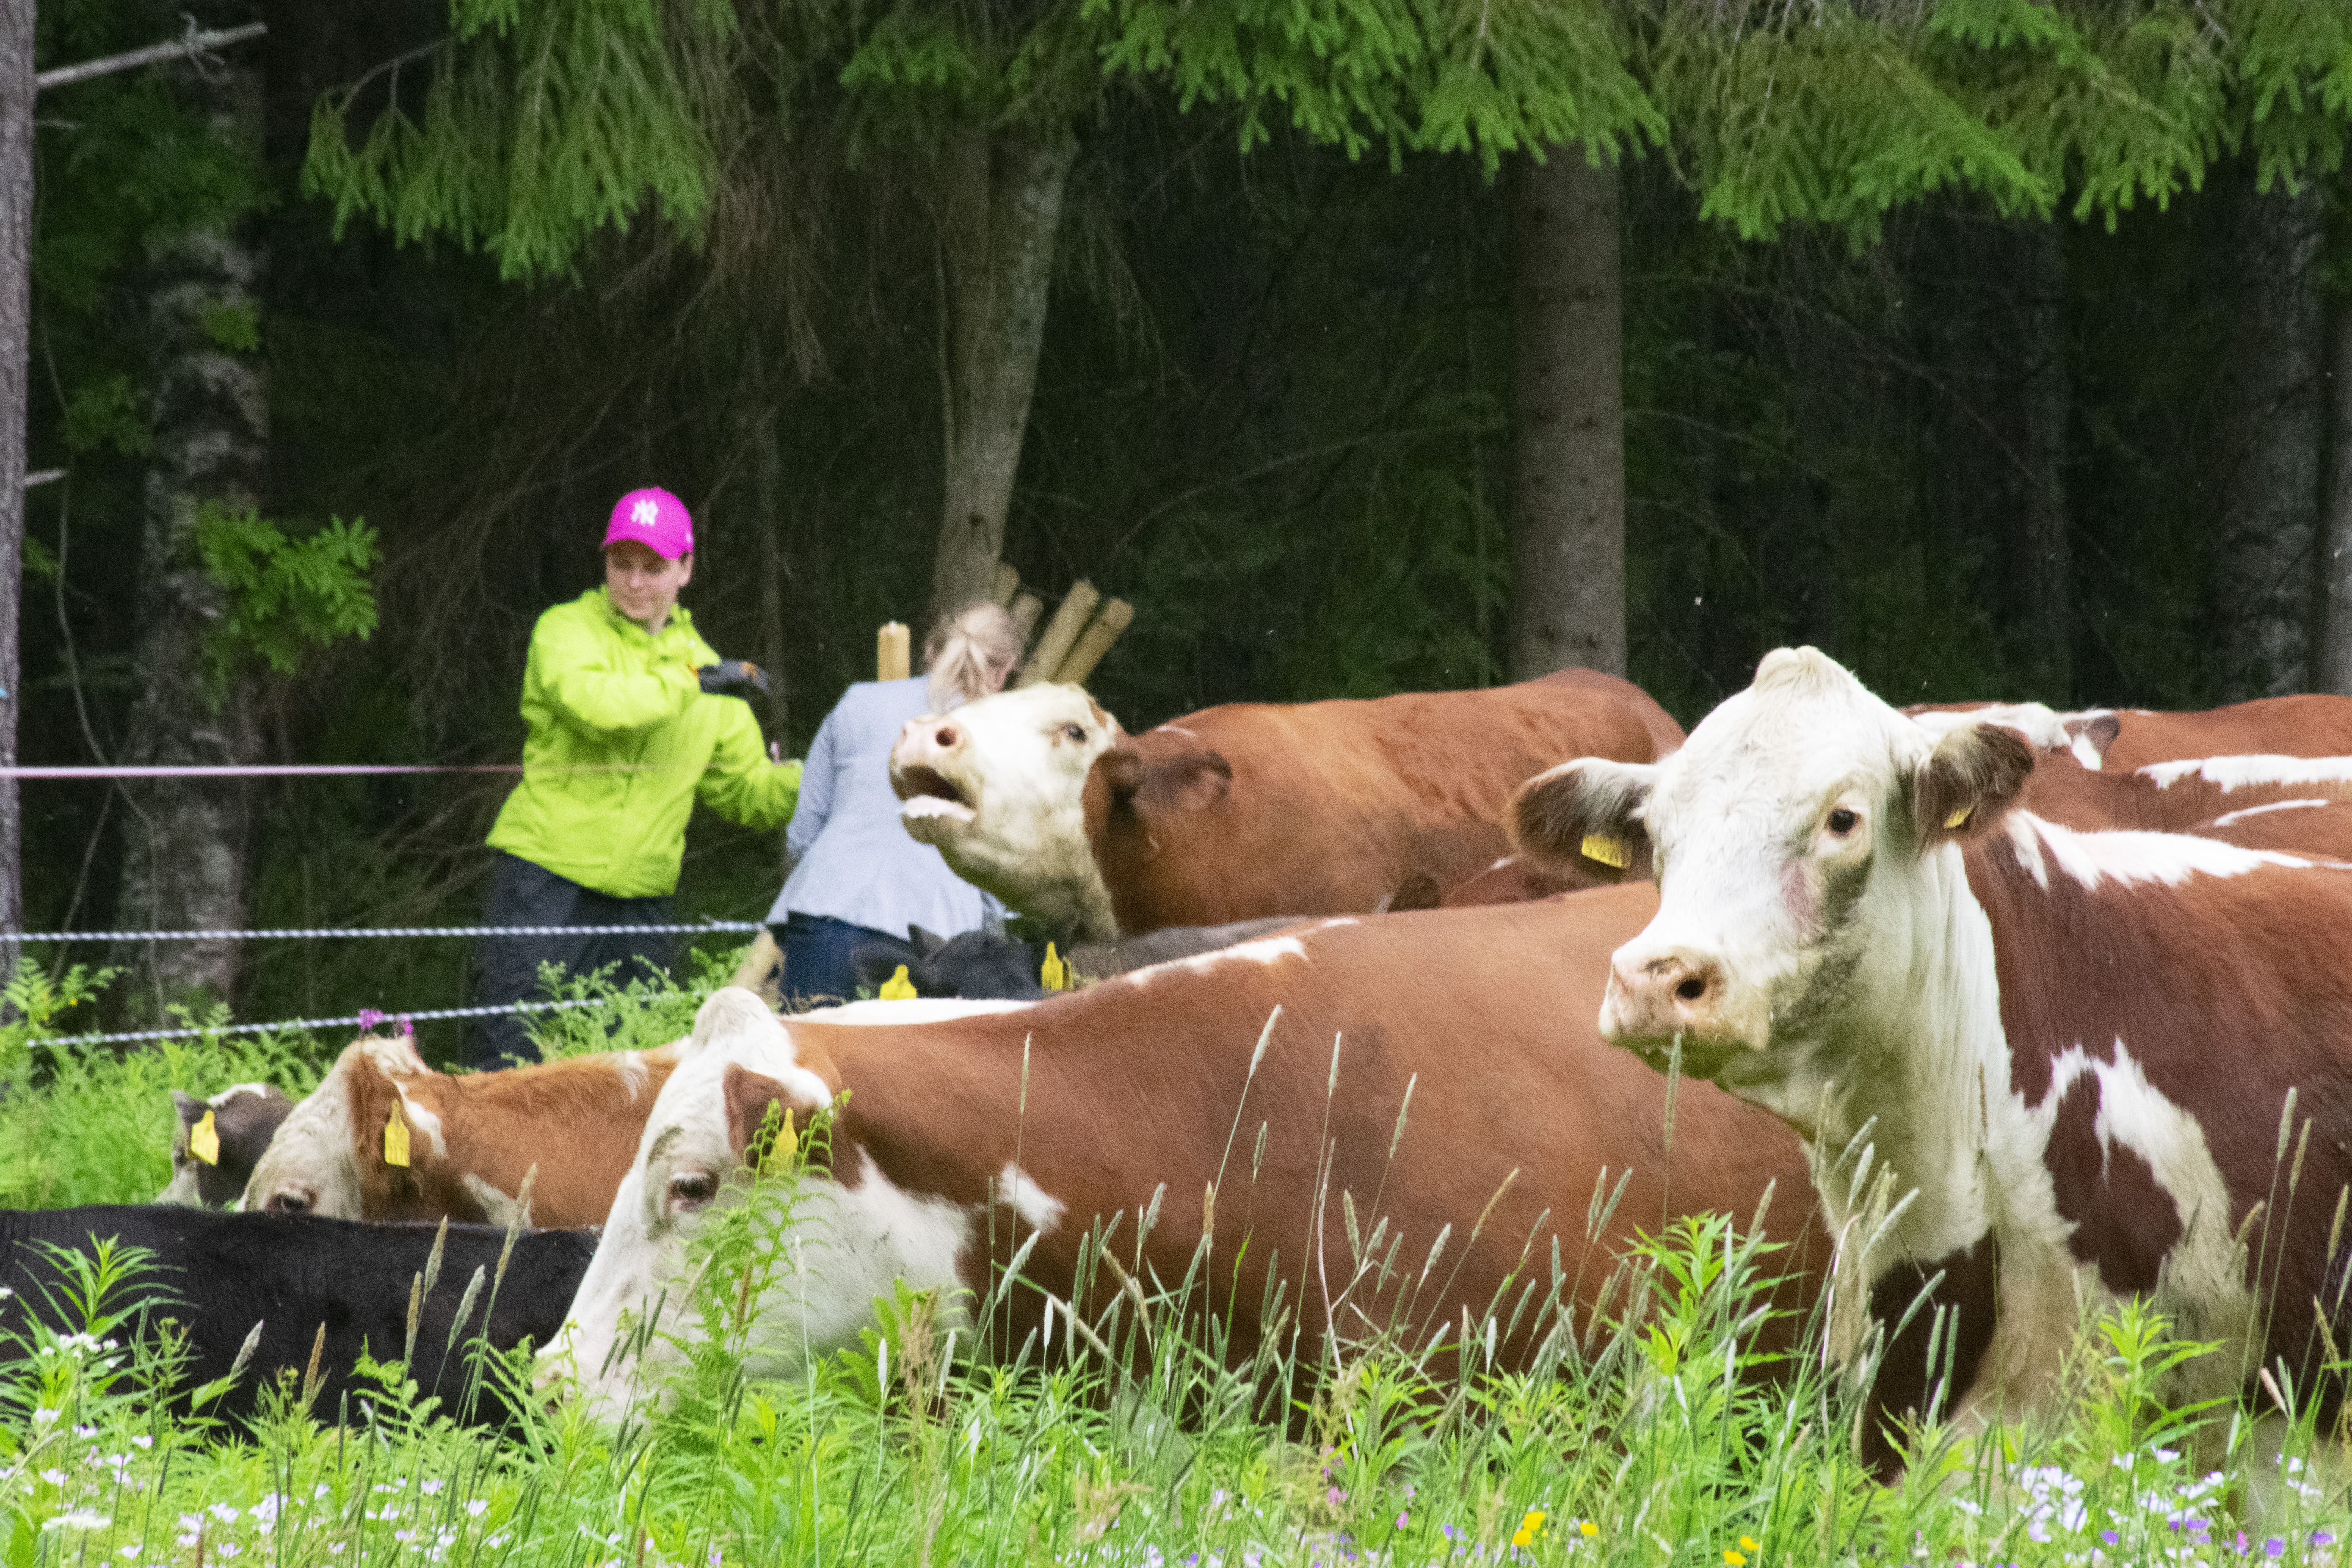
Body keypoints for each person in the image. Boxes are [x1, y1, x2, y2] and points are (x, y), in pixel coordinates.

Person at [466, 487, 802, 1068]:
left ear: (686, 569)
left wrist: (824, 767)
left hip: (642, 898)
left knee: (638, 1061)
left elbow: (751, 795)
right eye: (621, 564)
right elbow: (600, 707)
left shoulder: (710, 672)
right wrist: (693, 681)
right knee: (507, 1046)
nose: (636, 582)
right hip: (545, 875)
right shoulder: (566, 631)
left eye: (654, 567)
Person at [766, 601, 1021, 1005]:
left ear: (930, 652)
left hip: (823, 918)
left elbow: (801, 836)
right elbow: (994, 875)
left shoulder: (856, 702)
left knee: (803, 1065)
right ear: (1004, 669)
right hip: (934, 944)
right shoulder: (1005, 742)